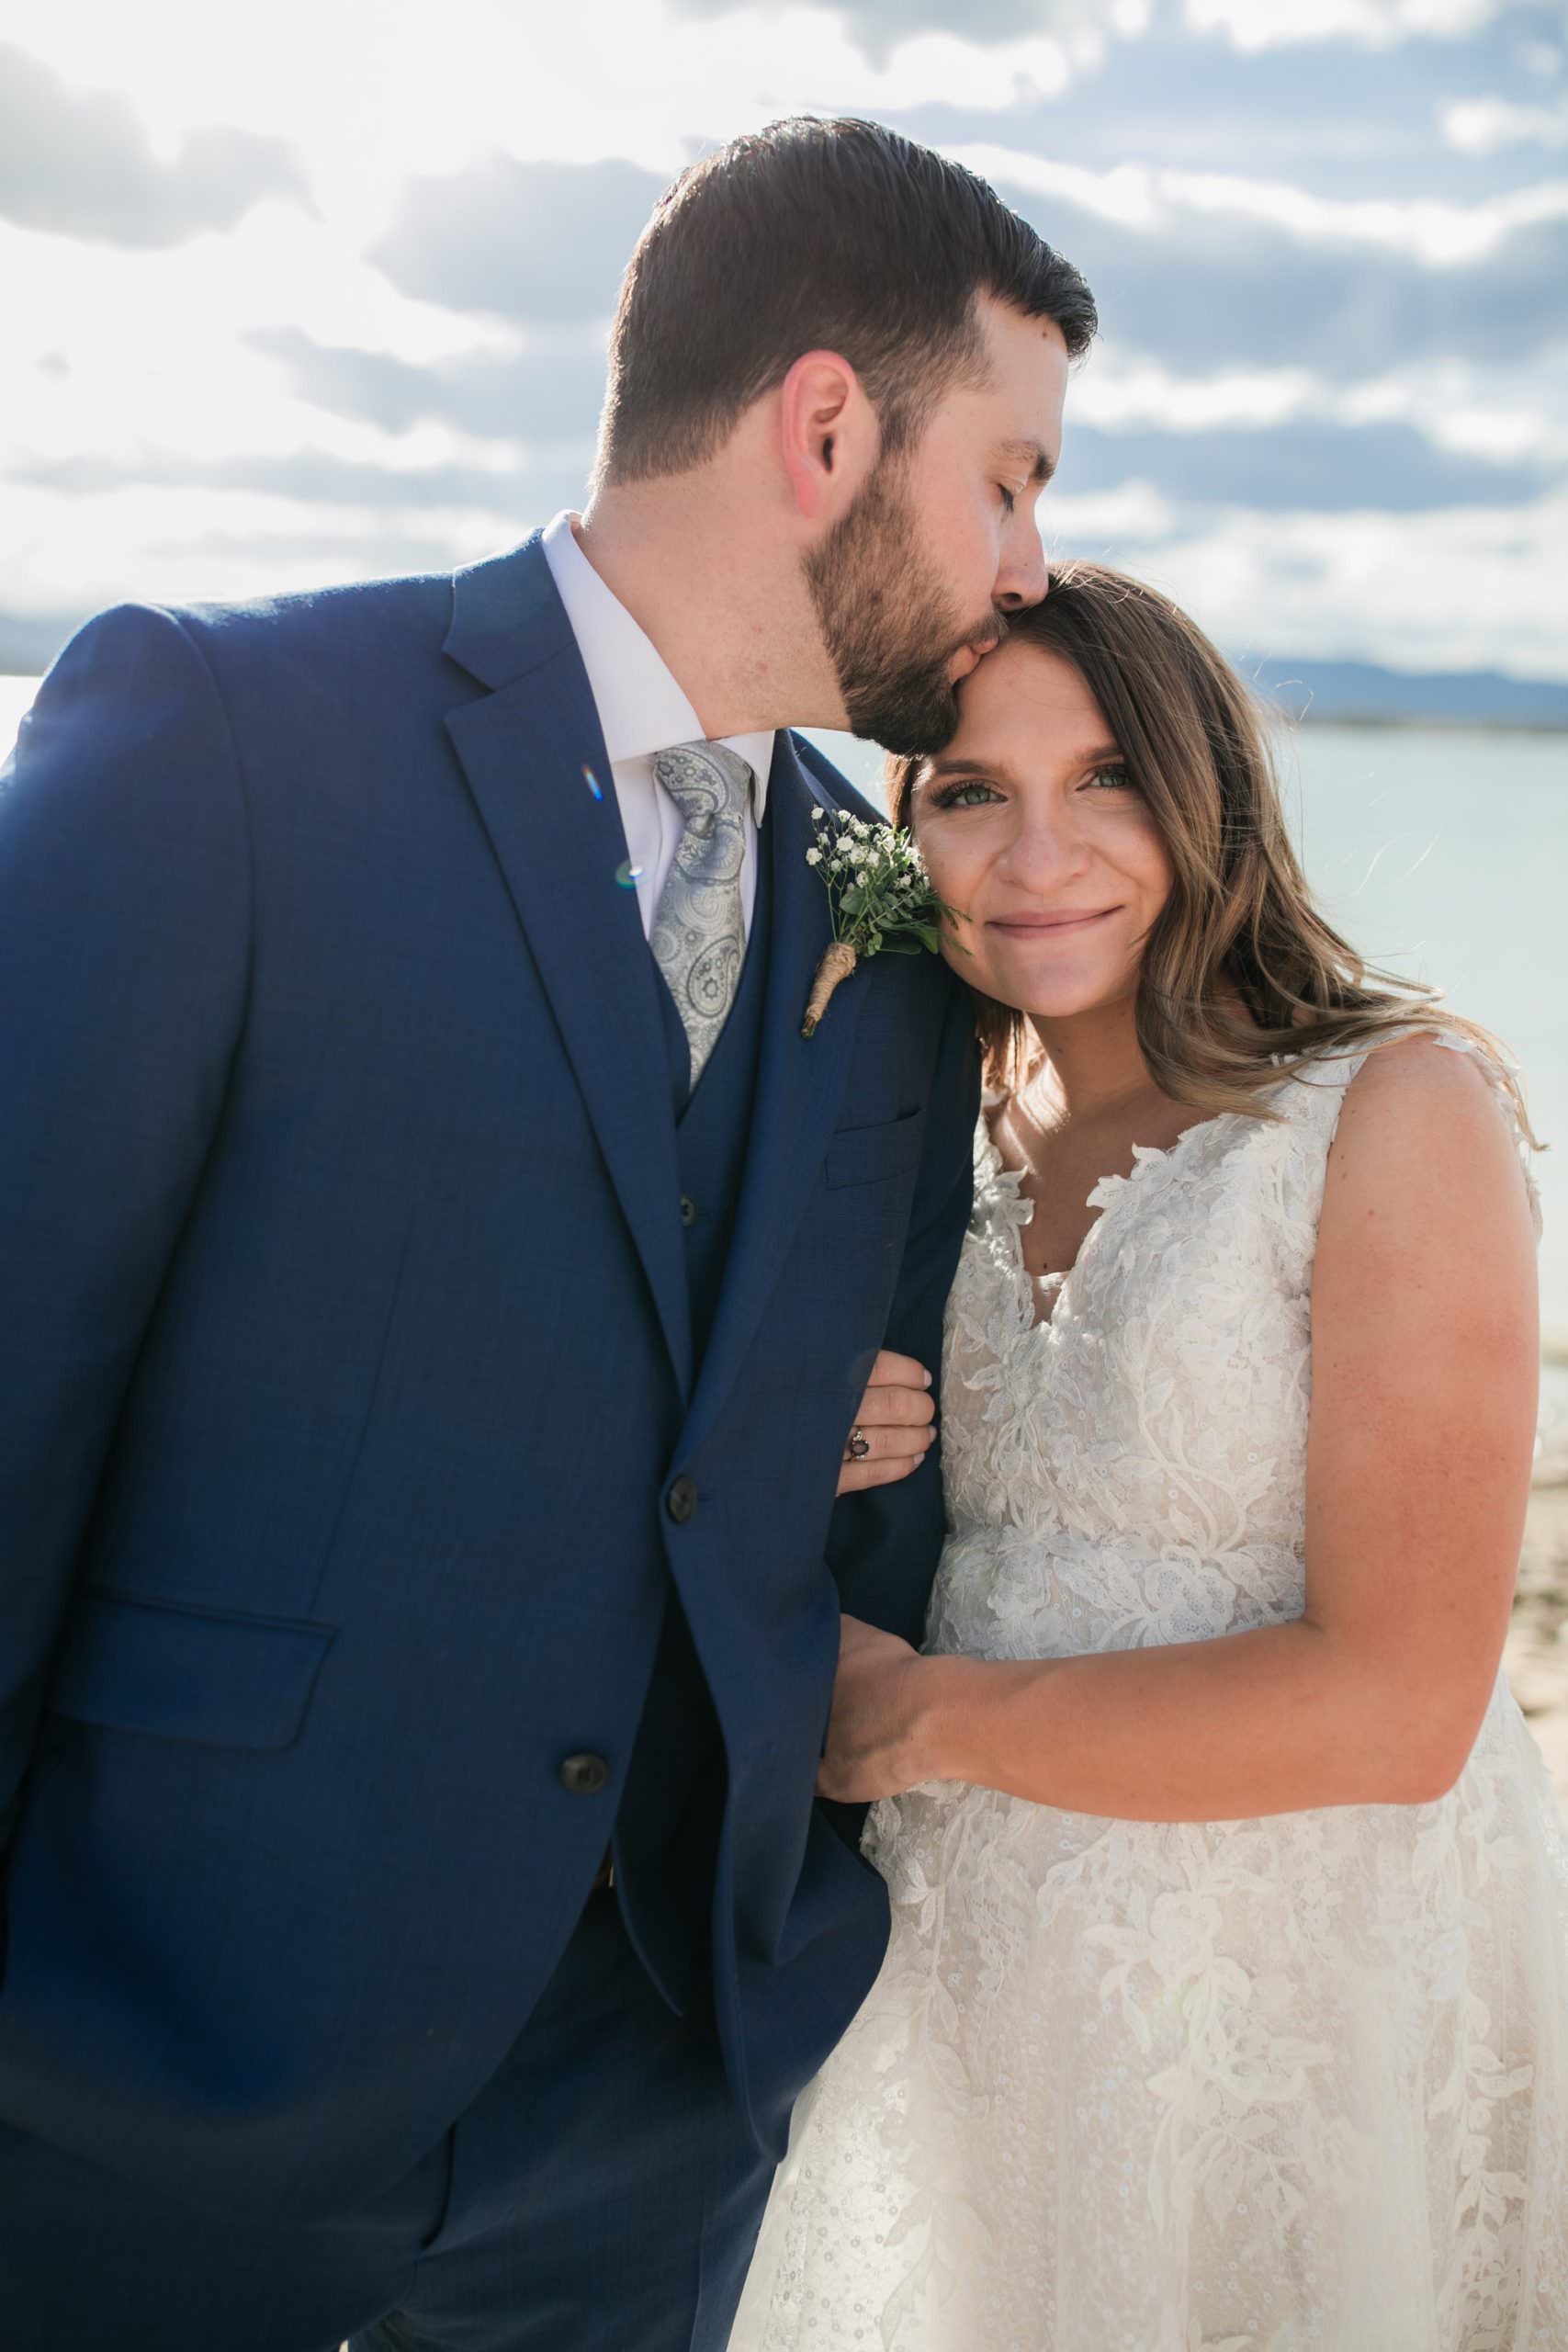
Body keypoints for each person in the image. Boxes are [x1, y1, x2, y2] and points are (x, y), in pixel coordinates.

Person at [0, 119, 1095, 2352]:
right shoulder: (223, 739)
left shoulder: (882, 928)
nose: (1025, 565)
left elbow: (816, 1481)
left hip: (652, 2123)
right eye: (1008, 476)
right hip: (160, 2088)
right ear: (820, 428)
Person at [731, 563, 1568, 2350]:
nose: (1038, 853)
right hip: (975, 1966)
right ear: (907, 830)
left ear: (1204, 798)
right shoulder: (911, 1122)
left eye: (1102, 775)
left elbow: (1400, 1700)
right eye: (968, 789)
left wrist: (915, 1717)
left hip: (1291, 1975)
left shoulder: (1382, 1110)